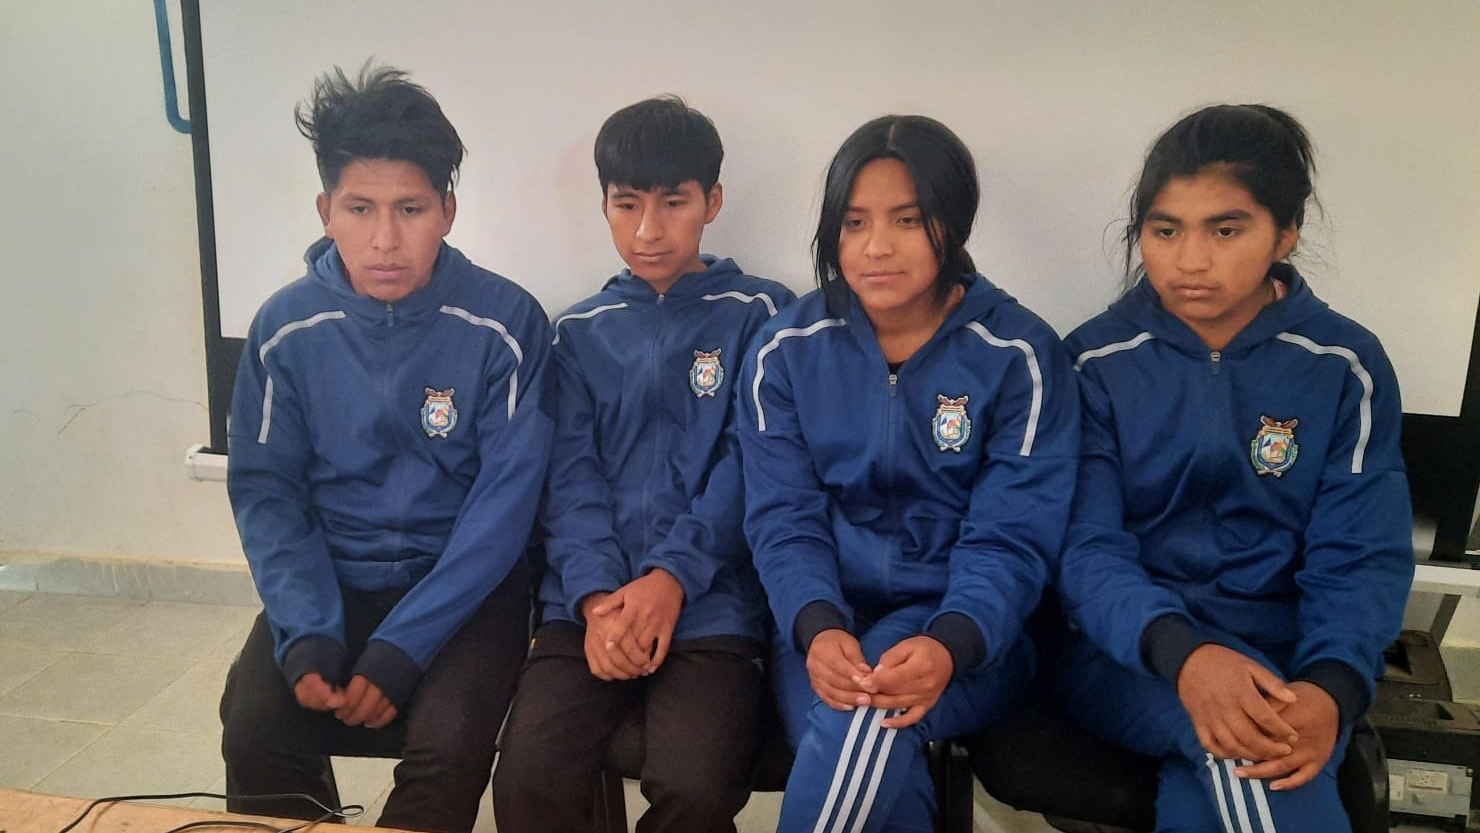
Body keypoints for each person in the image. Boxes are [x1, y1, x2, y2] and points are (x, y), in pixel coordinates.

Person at [1051, 104, 1413, 831]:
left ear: (1286, 233)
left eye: (1226, 230)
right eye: (1165, 231)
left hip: (1291, 660)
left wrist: (1331, 686)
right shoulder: (1093, 361)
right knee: (1250, 761)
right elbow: (1086, 550)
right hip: (1126, 654)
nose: (1190, 260)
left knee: (1237, 779)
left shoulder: (1345, 365)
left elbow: (1361, 554)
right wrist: (1188, 656)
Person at [219, 63, 552, 833]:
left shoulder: (507, 325)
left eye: (410, 209)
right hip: (333, 578)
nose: (385, 239)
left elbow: (502, 510)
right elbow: (268, 494)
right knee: (255, 728)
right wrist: (308, 627)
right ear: (326, 211)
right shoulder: (283, 330)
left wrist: (403, 646)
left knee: (448, 747)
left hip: (467, 591)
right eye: (360, 208)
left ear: (448, 211)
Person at [737, 115, 1080, 832]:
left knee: (859, 731)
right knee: (874, 771)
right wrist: (816, 626)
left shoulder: (1018, 355)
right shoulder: (784, 349)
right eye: (854, 222)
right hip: (823, 627)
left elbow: (1013, 534)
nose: (876, 247)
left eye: (908, 219)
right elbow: (782, 517)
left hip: (973, 630)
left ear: (954, 223)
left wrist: (951, 640)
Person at [492, 96, 795, 833]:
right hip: (585, 607)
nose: (648, 229)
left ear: (712, 202)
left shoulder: (765, 316)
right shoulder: (577, 332)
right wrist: (599, 599)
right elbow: (568, 479)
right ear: (604, 205)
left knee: (695, 786)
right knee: (528, 776)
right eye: (627, 204)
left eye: (673, 203)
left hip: (712, 603)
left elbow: (751, 464)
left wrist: (671, 578)